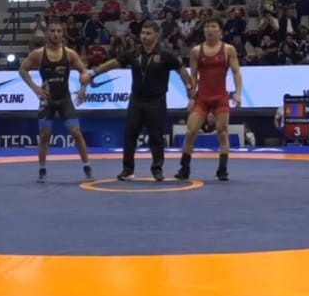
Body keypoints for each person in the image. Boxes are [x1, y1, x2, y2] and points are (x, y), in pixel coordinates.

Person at [82, 20, 193, 181]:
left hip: (156, 101)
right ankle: (128, 170)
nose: (144, 36)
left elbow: (182, 71)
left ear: (156, 35)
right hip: (136, 100)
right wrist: (93, 73)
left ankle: (157, 169)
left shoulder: (165, 55)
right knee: (130, 135)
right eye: (142, 33)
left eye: (148, 33)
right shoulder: (134, 53)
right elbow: (113, 63)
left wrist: (190, 91)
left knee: (156, 136)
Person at [18, 21, 93, 183]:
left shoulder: (70, 54)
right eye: (52, 31)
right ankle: (42, 169)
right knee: (45, 135)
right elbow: (22, 70)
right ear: (47, 33)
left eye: (59, 31)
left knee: (76, 133)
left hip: (64, 99)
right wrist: (35, 88)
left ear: (62, 33)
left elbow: (84, 71)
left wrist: (82, 89)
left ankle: (87, 166)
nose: (56, 34)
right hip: (47, 100)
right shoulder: (38, 54)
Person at [175, 18, 243, 181]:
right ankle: (184, 168)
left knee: (222, 131)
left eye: (213, 26)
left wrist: (238, 93)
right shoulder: (196, 51)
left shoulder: (228, 50)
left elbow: (236, 72)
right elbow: (193, 76)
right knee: (191, 131)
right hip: (202, 98)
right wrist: (191, 97)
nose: (210, 29)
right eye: (207, 27)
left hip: (220, 98)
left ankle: (222, 169)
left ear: (220, 31)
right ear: (204, 30)